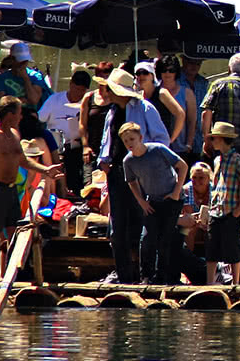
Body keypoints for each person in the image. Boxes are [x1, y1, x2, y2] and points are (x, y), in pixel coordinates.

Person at [0, 96, 62, 279]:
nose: (21, 117)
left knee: (14, 232)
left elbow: (23, 161)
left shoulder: (15, 134)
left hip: (11, 190)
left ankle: (13, 271)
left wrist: (46, 170)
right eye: (18, 113)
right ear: (9, 114)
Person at [94, 68, 170, 283]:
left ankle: (144, 274)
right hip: (116, 174)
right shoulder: (112, 111)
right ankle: (122, 273)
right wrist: (104, 159)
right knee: (118, 226)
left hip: (140, 175)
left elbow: (162, 140)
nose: (107, 92)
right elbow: (107, 140)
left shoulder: (146, 108)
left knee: (140, 222)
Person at [119, 122, 188, 284]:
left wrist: (176, 192)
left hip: (171, 199)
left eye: (132, 139)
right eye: (126, 141)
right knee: (147, 239)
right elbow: (131, 181)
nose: (129, 143)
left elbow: (182, 166)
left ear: (140, 138)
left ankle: (162, 278)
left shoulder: (157, 150)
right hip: (152, 201)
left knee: (165, 239)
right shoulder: (128, 161)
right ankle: (146, 277)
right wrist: (141, 201)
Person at [202, 122, 240, 285]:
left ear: (222, 139)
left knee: (232, 248)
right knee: (211, 248)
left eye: (214, 138)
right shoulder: (217, 160)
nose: (213, 141)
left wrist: (238, 209)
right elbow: (215, 186)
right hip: (216, 210)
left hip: (231, 210)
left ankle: (235, 283)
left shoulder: (237, 160)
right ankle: (209, 283)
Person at [39, 71, 92, 195]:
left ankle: (76, 191)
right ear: (70, 84)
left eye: (82, 90)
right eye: (76, 88)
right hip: (55, 144)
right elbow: (40, 118)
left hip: (76, 145)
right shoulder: (54, 99)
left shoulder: (88, 103)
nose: (78, 93)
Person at [202, 53, 240, 150]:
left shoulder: (218, 84)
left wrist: (207, 139)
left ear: (229, 68)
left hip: (221, 142)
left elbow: (206, 112)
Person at [157, 56, 203, 164]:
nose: (167, 73)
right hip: (158, 145)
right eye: (164, 70)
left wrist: (189, 144)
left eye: (171, 70)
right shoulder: (155, 92)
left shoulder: (187, 93)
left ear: (176, 72)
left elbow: (192, 121)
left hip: (181, 147)